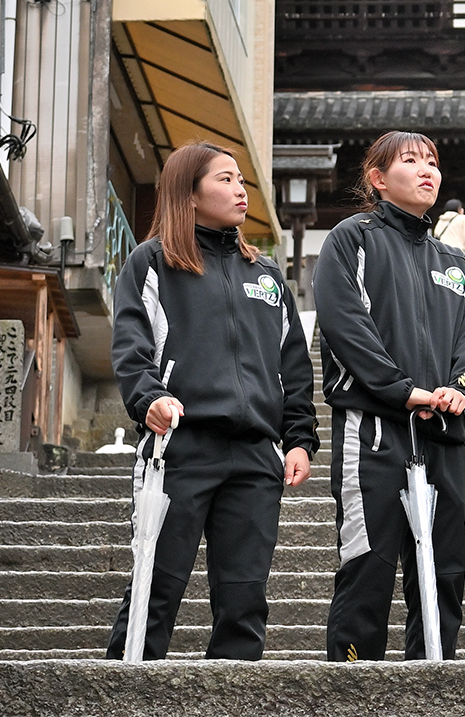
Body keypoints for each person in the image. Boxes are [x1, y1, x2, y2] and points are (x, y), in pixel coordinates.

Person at [106, 141, 318, 660]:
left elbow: (294, 367)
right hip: (179, 447)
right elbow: (131, 349)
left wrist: (300, 440)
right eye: (225, 179)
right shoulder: (152, 262)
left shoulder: (267, 276)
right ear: (189, 192)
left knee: (245, 604)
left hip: (255, 457)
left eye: (241, 180)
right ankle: (121, 697)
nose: (240, 189)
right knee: (156, 590)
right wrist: (149, 398)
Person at [314, 130, 465, 661]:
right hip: (372, 428)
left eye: (433, 161)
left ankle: (434, 676)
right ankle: (352, 685)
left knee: (444, 570)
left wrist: (461, 389)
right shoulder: (353, 239)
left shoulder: (454, 263)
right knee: (368, 561)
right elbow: (344, 324)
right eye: (411, 161)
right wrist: (400, 389)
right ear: (377, 178)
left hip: (442, 431)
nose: (427, 170)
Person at [432, 198, 465, 264]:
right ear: (459, 209)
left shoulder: (440, 220)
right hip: (456, 254)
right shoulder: (463, 218)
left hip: (441, 254)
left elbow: (436, 236)